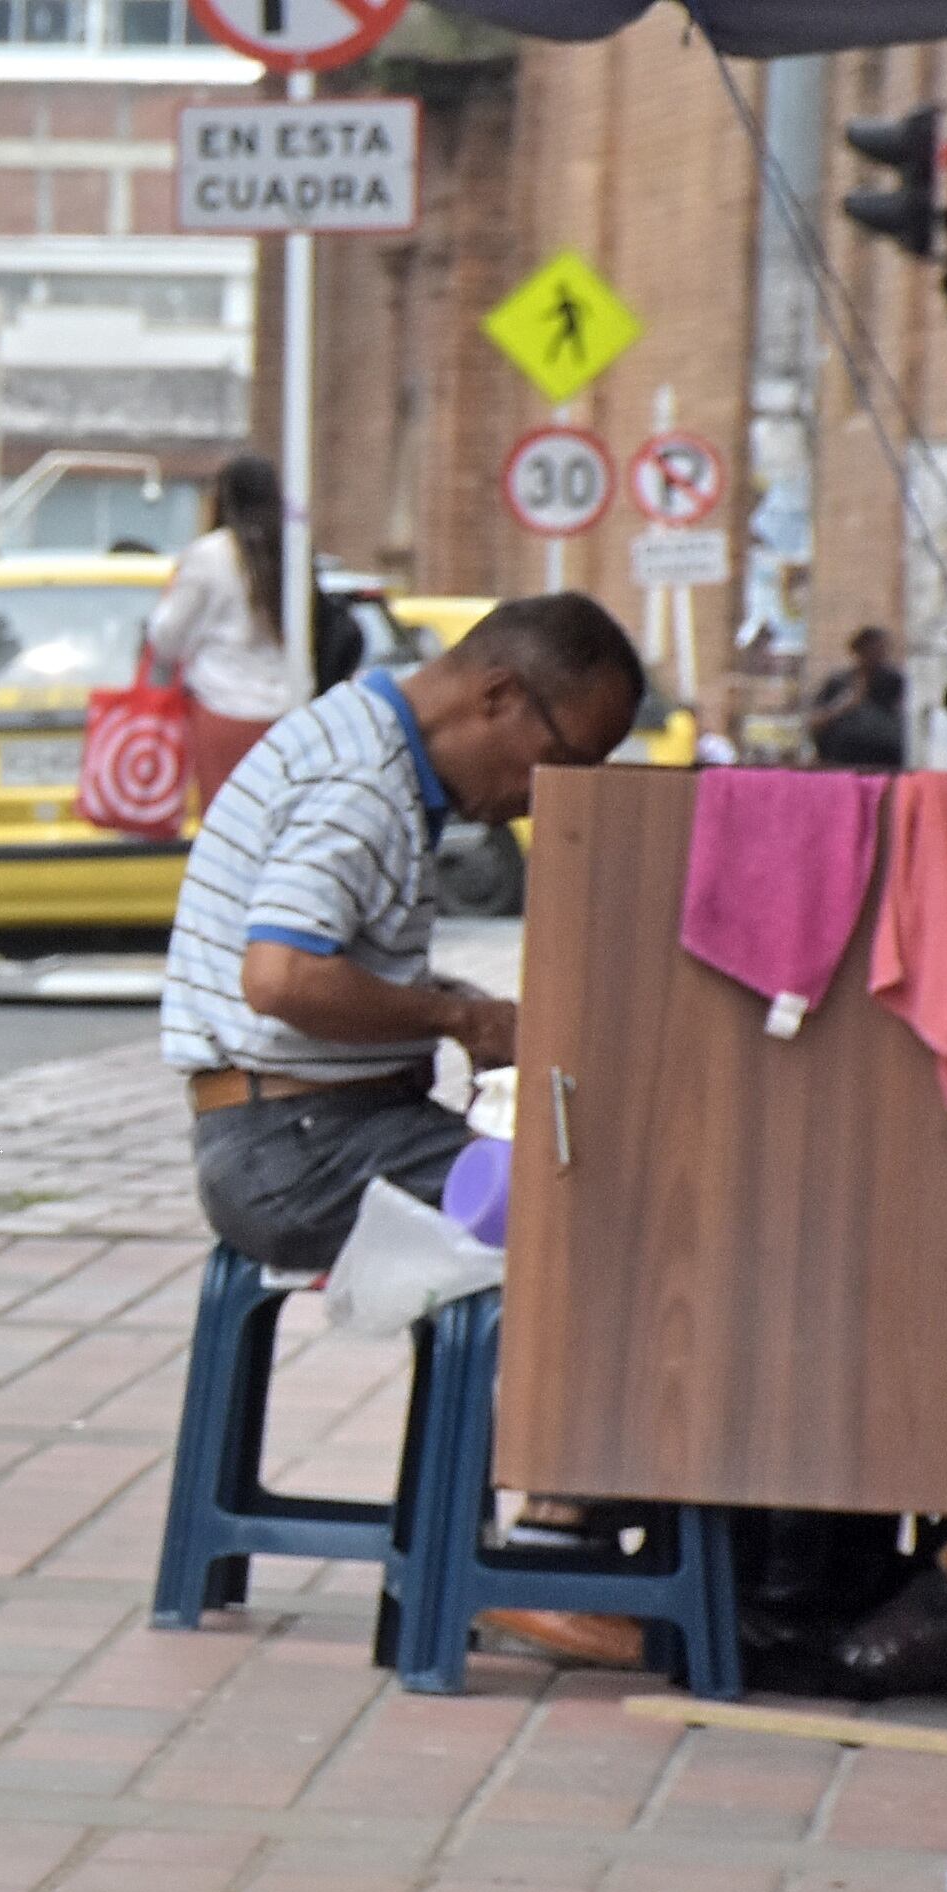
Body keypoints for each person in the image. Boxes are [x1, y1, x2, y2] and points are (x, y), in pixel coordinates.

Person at [160, 594, 645, 1665]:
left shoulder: (364, 744)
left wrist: (448, 1008)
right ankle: (533, 1556)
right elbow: (283, 976)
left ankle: (492, 1542)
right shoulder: (363, 784)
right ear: (497, 696)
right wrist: (456, 1016)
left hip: (304, 1124)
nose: (538, 803)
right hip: (291, 1146)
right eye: (558, 761)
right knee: (581, 1215)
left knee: (567, 1179)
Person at [145, 455, 301, 814]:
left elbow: (167, 638)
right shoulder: (291, 549)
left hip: (223, 708)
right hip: (289, 709)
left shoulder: (210, 554)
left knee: (226, 827)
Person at [802, 625, 906, 771]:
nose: (876, 655)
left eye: (881, 649)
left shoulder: (895, 682)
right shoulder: (838, 682)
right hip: (839, 763)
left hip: (882, 764)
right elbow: (814, 721)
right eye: (870, 649)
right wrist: (845, 705)